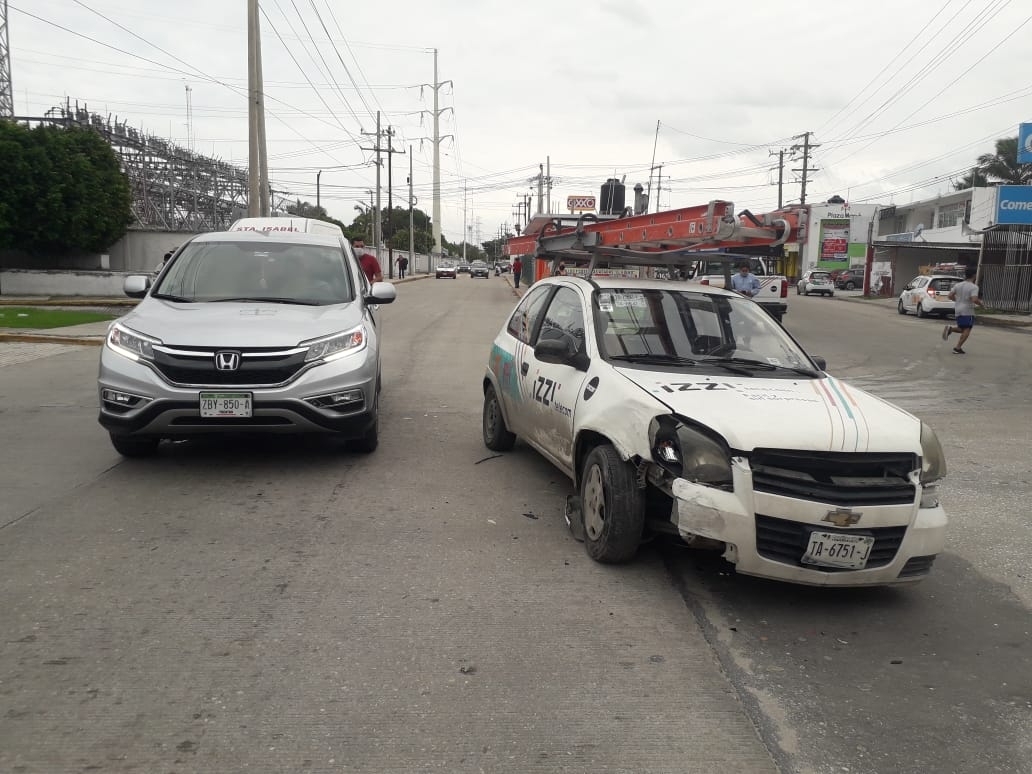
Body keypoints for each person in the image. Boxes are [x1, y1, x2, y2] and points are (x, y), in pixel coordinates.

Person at [943, 265, 983, 354]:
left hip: (958, 309)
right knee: (967, 330)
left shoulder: (958, 285)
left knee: (962, 328)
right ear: (974, 275)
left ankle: (951, 329)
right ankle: (957, 348)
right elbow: (974, 299)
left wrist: (957, 300)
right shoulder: (974, 287)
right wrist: (981, 305)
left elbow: (950, 296)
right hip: (967, 311)